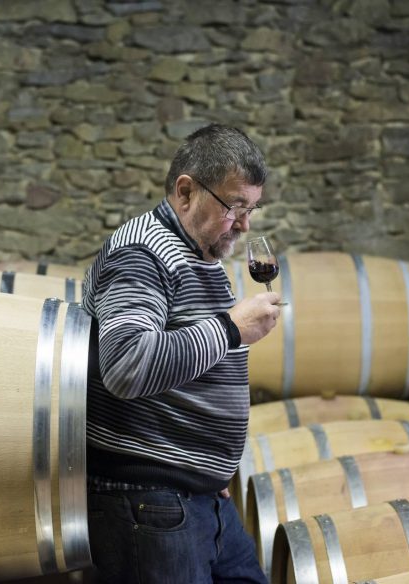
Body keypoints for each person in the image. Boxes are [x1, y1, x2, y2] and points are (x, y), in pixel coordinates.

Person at [81, 123, 280, 584]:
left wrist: (210, 466)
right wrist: (232, 328)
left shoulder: (198, 254)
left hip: (198, 497)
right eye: (235, 207)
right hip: (149, 505)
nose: (246, 224)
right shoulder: (142, 252)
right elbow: (127, 365)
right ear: (186, 191)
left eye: (252, 209)